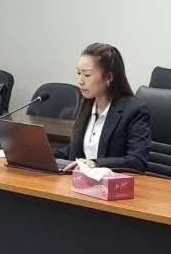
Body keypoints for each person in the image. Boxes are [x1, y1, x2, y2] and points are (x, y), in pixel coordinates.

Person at [55, 43, 150, 172]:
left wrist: (95, 163)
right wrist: (46, 156)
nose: (80, 81)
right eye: (78, 73)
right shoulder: (86, 104)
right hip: (81, 181)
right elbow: (74, 151)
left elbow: (137, 162)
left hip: (113, 182)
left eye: (87, 75)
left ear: (109, 77)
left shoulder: (135, 111)